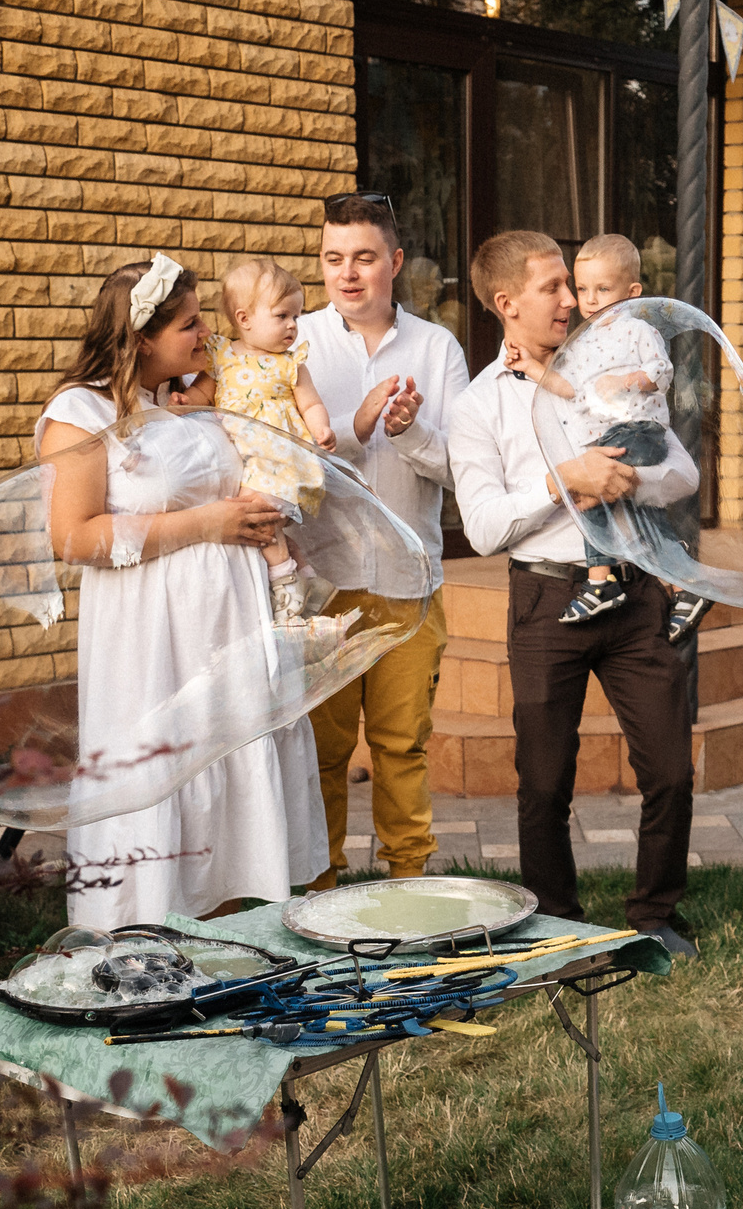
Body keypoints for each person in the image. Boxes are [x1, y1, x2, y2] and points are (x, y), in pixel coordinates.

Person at [36, 254, 324, 929]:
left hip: (229, 632)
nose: (207, 334)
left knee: (228, 788)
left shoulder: (192, 401)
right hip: (150, 642)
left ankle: (232, 941)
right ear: (142, 337)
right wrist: (211, 522)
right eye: (191, 323)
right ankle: (145, 942)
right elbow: (73, 537)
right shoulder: (79, 414)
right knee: (165, 776)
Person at [445, 230, 702, 958]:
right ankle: (555, 921)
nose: (571, 300)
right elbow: (488, 525)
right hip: (545, 601)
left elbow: (680, 473)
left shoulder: (614, 362)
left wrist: (623, 479)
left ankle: (655, 911)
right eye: (553, 288)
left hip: (632, 592)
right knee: (544, 780)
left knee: (672, 768)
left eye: (572, 285)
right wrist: (569, 479)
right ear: (507, 303)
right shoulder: (477, 406)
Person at [296, 194, 467, 884]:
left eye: (364, 257)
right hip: (322, 585)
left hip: (407, 581)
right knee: (322, 752)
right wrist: (356, 423)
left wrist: (411, 433)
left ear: (394, 262)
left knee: (402, 746)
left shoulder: (437, 347)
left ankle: (411, 887)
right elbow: (278, 457)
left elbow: (462, 468)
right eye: (334, 258)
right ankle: (319, 887)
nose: (348, 273)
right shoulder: (296, 341)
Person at [563, 233, 714, 643]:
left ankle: (600, 581)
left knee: (595, 494)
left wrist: (627, 380)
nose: (590, 300)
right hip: (609, 434)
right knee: (621, 508)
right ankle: (683, 585)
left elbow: (661, 372)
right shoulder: (583, 343)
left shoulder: (635, 330)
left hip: (639, 430)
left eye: (603, 289)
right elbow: (572, 390)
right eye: (583, 289)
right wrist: (535, 370)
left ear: (632, 294)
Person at [205, 256, 338, 520]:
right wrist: (183, 400)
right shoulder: (221, 356)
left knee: (255, 514)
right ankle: (292, 560)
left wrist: (321, 429)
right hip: (231, 451)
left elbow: (310, 404)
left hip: (272, 459)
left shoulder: (291, 364)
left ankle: (283, 563)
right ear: (244, 319)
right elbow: (202, 394)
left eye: (296, 317)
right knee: (249, 520)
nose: (292, 324)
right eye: (282, 315)